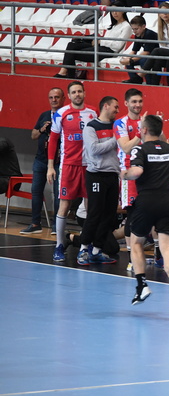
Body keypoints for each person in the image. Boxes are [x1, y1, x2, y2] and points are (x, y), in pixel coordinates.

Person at [124, 115, 169, 315]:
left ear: (144, 130)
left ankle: (141, 286)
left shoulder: (140, 149)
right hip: (168, 201)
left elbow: (136, 172)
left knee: (136, 242)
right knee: (167, 246)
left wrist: (124, 174)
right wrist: (168, 172)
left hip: (147, 201)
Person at [47, 82, 97, 262]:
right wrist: (50, 166)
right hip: (69, 165)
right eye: (74, 92)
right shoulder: (61, 113)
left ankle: (85, 246)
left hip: (89, 166)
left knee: (90, 207)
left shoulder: (93, 112)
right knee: (64, 206)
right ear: (69, 96)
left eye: (79, 91)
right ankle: (59, 245)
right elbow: (53, 140)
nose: (77, 94)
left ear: (84, 93)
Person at [77, 96, 120, 266]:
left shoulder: (117, 126)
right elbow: (94, 149)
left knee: (109, 215)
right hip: (96, 175)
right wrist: (116, 140)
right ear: (106, 106)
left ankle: (97, 250)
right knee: (94, 213)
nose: (117, 110)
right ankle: (83, 249)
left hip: (112, 175)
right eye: (115, 107)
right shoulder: (91, 127)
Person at [21, 87, 65, 235]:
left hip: (59, 161)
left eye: (57, 97)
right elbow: (33, 135)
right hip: (41, 159)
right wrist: (42, 129)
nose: (54, 100)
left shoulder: (66, 115)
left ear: (63, 99)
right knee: (36, 191)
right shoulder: (44, 115)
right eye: (51, 97)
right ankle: (35, 223)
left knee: (58, 193)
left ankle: (56, 226)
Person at [53, 5, 132, 79]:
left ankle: (67, 74)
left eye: (117, 10)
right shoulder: (113, 25)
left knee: (72, 53)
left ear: (122, 11)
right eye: (112, 11)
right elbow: (106, 40)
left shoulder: (126, 26)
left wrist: (100, 41)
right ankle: (64, 72)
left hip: (108, 51)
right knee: (72, 44)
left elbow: (118, 46)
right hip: (100, 46)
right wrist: (98, 41)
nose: (114, 13)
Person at [114, 88, 144, 263]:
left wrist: (157, 126)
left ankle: (156, 254)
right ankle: (132, 258)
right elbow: (126, 148)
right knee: (131, 214)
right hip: (128, 174)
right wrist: (141, 132)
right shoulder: (120, 123)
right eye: (134, 101)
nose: (137, 105)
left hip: (146, 173)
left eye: (140, 101)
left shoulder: (146, 121)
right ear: (126, 103)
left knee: (147, 212)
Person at [120, 16, 158, 84]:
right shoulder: (137, 35)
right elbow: (134, 51)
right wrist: (126, 59)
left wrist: (131, 60)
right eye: (133, 29)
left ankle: (150, 83)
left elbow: (146, 52)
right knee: (128, 63)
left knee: (143, 61)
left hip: (155, 58)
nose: (134, 31)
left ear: (143, 26)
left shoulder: (149, 34)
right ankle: (135, 80)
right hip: (148, 57)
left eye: (136, 29)